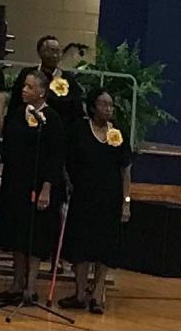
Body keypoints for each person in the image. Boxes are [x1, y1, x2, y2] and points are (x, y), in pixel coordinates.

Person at [0, 70, 66, 304]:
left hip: (38, 185)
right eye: (24, 86)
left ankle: (31, 287)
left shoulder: (52, 120)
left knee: (34, 237)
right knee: (16, 235)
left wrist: (46, 188)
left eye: (30, 87)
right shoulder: (16, 114)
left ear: (42, 92)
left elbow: (56, 157)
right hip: (15, 183)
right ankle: (16, 283)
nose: (24, 90)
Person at [58, 88, 132, 314]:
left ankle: (98, 294)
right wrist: (67, 183)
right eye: (103, 104)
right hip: (83, 197)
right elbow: (65, 159)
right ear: (92, 107)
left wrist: (126, 202)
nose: (108, 108)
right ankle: (80, 293)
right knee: (82, 246)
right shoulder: (79, 129)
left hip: (109, 200)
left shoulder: (118, 133)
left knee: (104, 248)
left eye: (111, 104)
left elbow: (125, 170)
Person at [10, 35, 85, 129]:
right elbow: (15, 103)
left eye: (58, 51)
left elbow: (76, 112)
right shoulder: (26, 74)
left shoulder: (68, 79)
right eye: (51, 51)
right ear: (40, 53)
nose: (55, 55)